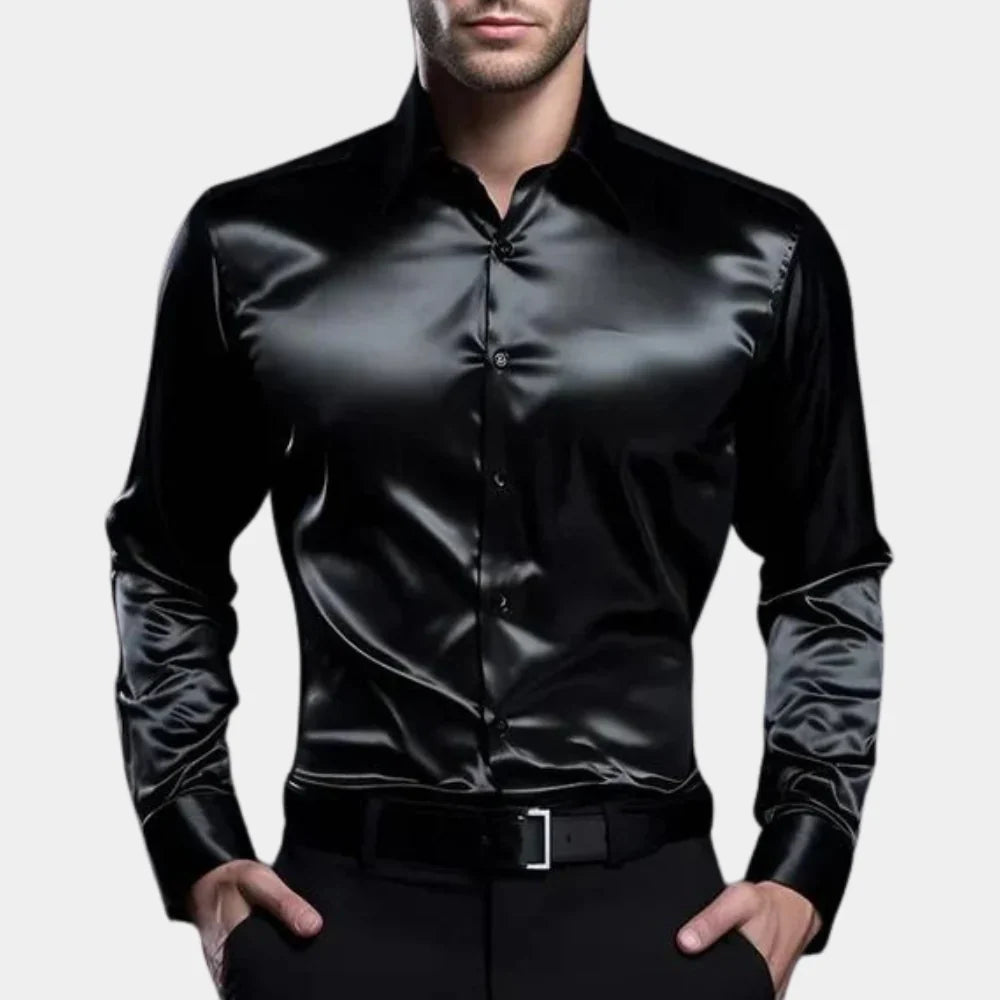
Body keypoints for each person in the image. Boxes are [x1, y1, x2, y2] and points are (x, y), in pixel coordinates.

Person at [104, 2, 892, 997]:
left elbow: (825, 576)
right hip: (337, 928)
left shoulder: (758, 253)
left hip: (651, 929)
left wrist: (802, 867)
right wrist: (197, 846)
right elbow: (165, 563)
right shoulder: (250, 245)